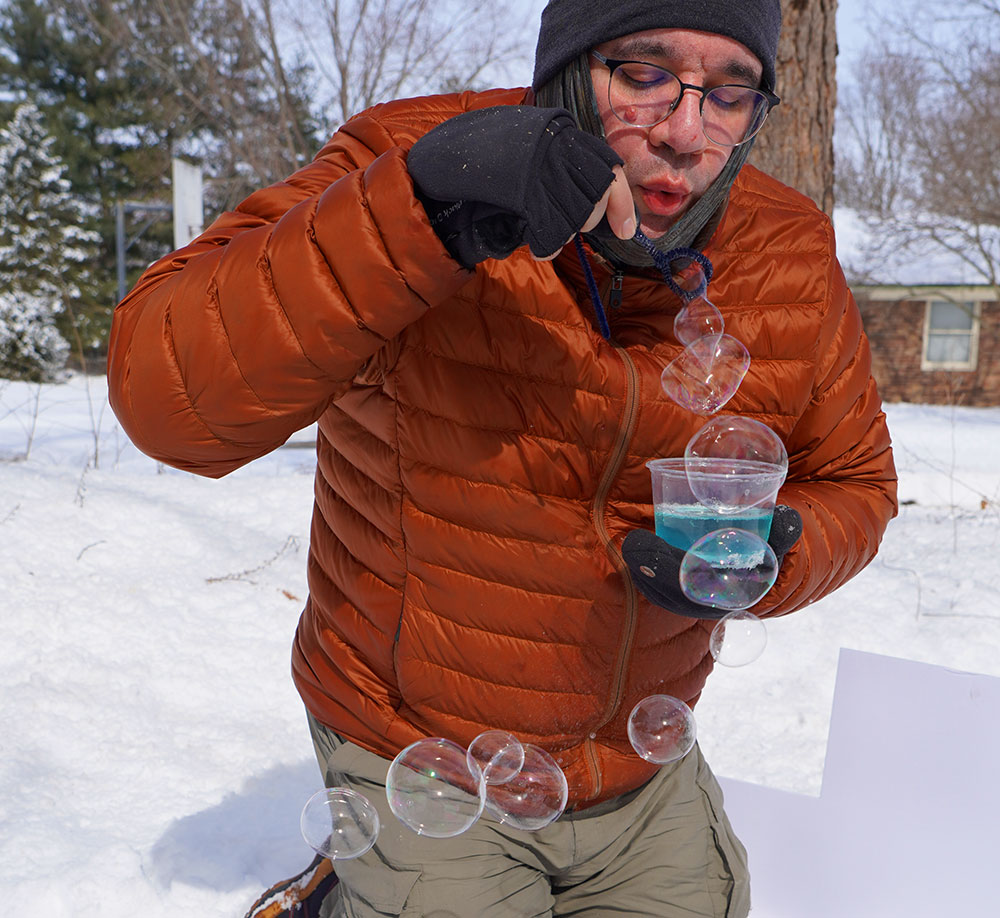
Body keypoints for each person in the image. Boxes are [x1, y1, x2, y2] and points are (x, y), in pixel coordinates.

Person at [107, 1, 898, 915]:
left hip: (636, 762)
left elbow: (856, 481)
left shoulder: (786, 241)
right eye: (643, 75)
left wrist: (768, 554)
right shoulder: (416, 160)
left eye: (730, 94)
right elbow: (166, 401)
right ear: (568, 66)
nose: (687, 132)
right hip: (416, 742)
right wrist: (419, 215)